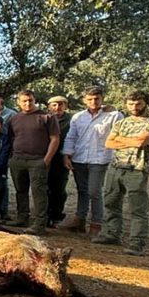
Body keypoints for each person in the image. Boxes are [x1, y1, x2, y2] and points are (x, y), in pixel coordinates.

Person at [92, 90, 149, 256]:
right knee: (111, 202)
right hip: (116, 166)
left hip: (137, 168)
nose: (134, 107)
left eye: (138, 103)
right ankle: (111, 234)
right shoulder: (122, 122)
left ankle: (137, 243)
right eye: (130, 103)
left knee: (137, 208)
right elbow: (109, 143)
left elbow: (142, 141)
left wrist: (124, 141)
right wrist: (133, 141)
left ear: (146, 103)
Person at [59, 87, 123, 236]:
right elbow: (71, 136)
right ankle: (79, 219)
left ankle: (96, 223)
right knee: (82, 190)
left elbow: (119, 133)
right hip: (79, 157)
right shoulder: (78, 117)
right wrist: (66, 155)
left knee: (94, 190)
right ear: (84, 100)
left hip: (99, 158)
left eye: (96, 99)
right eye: (90, 99)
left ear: (102, 98)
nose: (93, 102)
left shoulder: (113, 115)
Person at [5, 90, 60, 235]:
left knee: (38, 192)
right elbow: (11, 139)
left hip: (38, 161)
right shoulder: (14, 118)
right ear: (18, 102)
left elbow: (55, 139)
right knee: (20, 190)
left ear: (34, 100)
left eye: (30, 100)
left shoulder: (47, 117)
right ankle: (22, 217)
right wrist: (11, 158)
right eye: (24, 101)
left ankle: (39, 224)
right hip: (17, 160)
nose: (27, 103)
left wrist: (46, 160)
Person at [45, 95, 73, 227]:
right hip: (45, 156)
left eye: (61, 104)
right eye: (54, 105)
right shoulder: (45, 119)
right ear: (49, 107)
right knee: (44, 186)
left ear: (65, 106)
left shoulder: (72, 120)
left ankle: (56, 215)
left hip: (61, 157)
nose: (57, 107)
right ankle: (45, 214)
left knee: (59, 188)